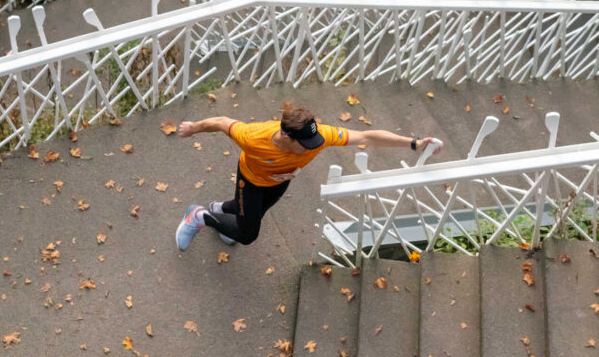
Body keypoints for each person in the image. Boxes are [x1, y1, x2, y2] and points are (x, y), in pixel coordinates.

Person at [175, 101, 443, 251]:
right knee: (248, 235)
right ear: (286, 135)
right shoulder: (253, 137)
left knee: (250, 213)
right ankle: (199, 216)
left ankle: (220, 210)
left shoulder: (321, 135)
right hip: (252, 180)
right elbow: (222, 122)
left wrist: (413, 143)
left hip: (279, 183)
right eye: (306, 143)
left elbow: (366, 136)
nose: (316, 145)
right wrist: (193, 128)